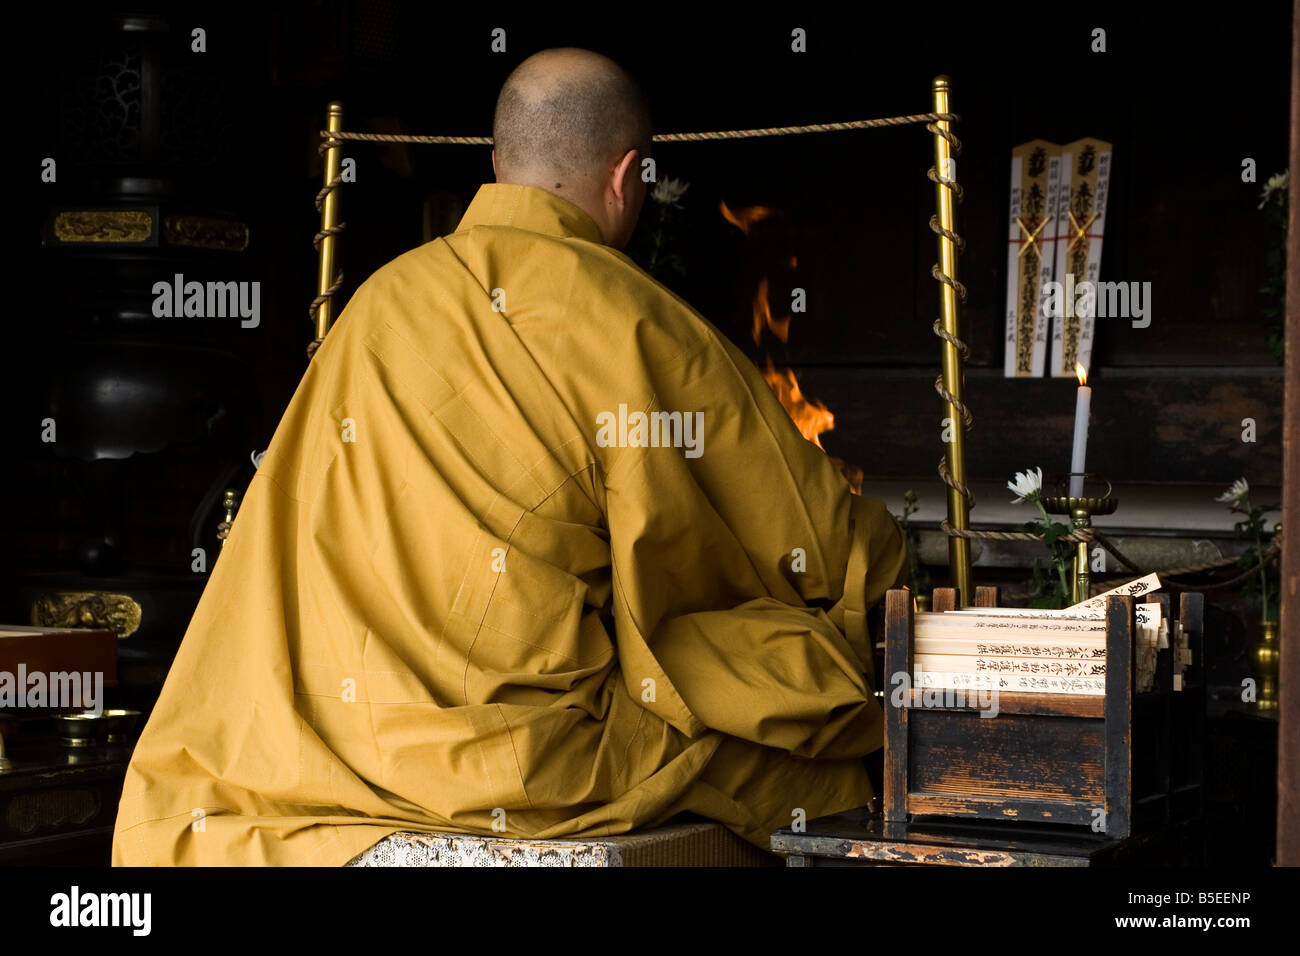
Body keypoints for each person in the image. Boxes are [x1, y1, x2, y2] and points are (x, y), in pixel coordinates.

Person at [112, 47, 907, 866]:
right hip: (534, 757)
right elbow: (828, 549)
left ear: (497, 165)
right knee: (811, 762)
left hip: (326, 736)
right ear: (629, 175)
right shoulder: (641, 322)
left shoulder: (377, 303)